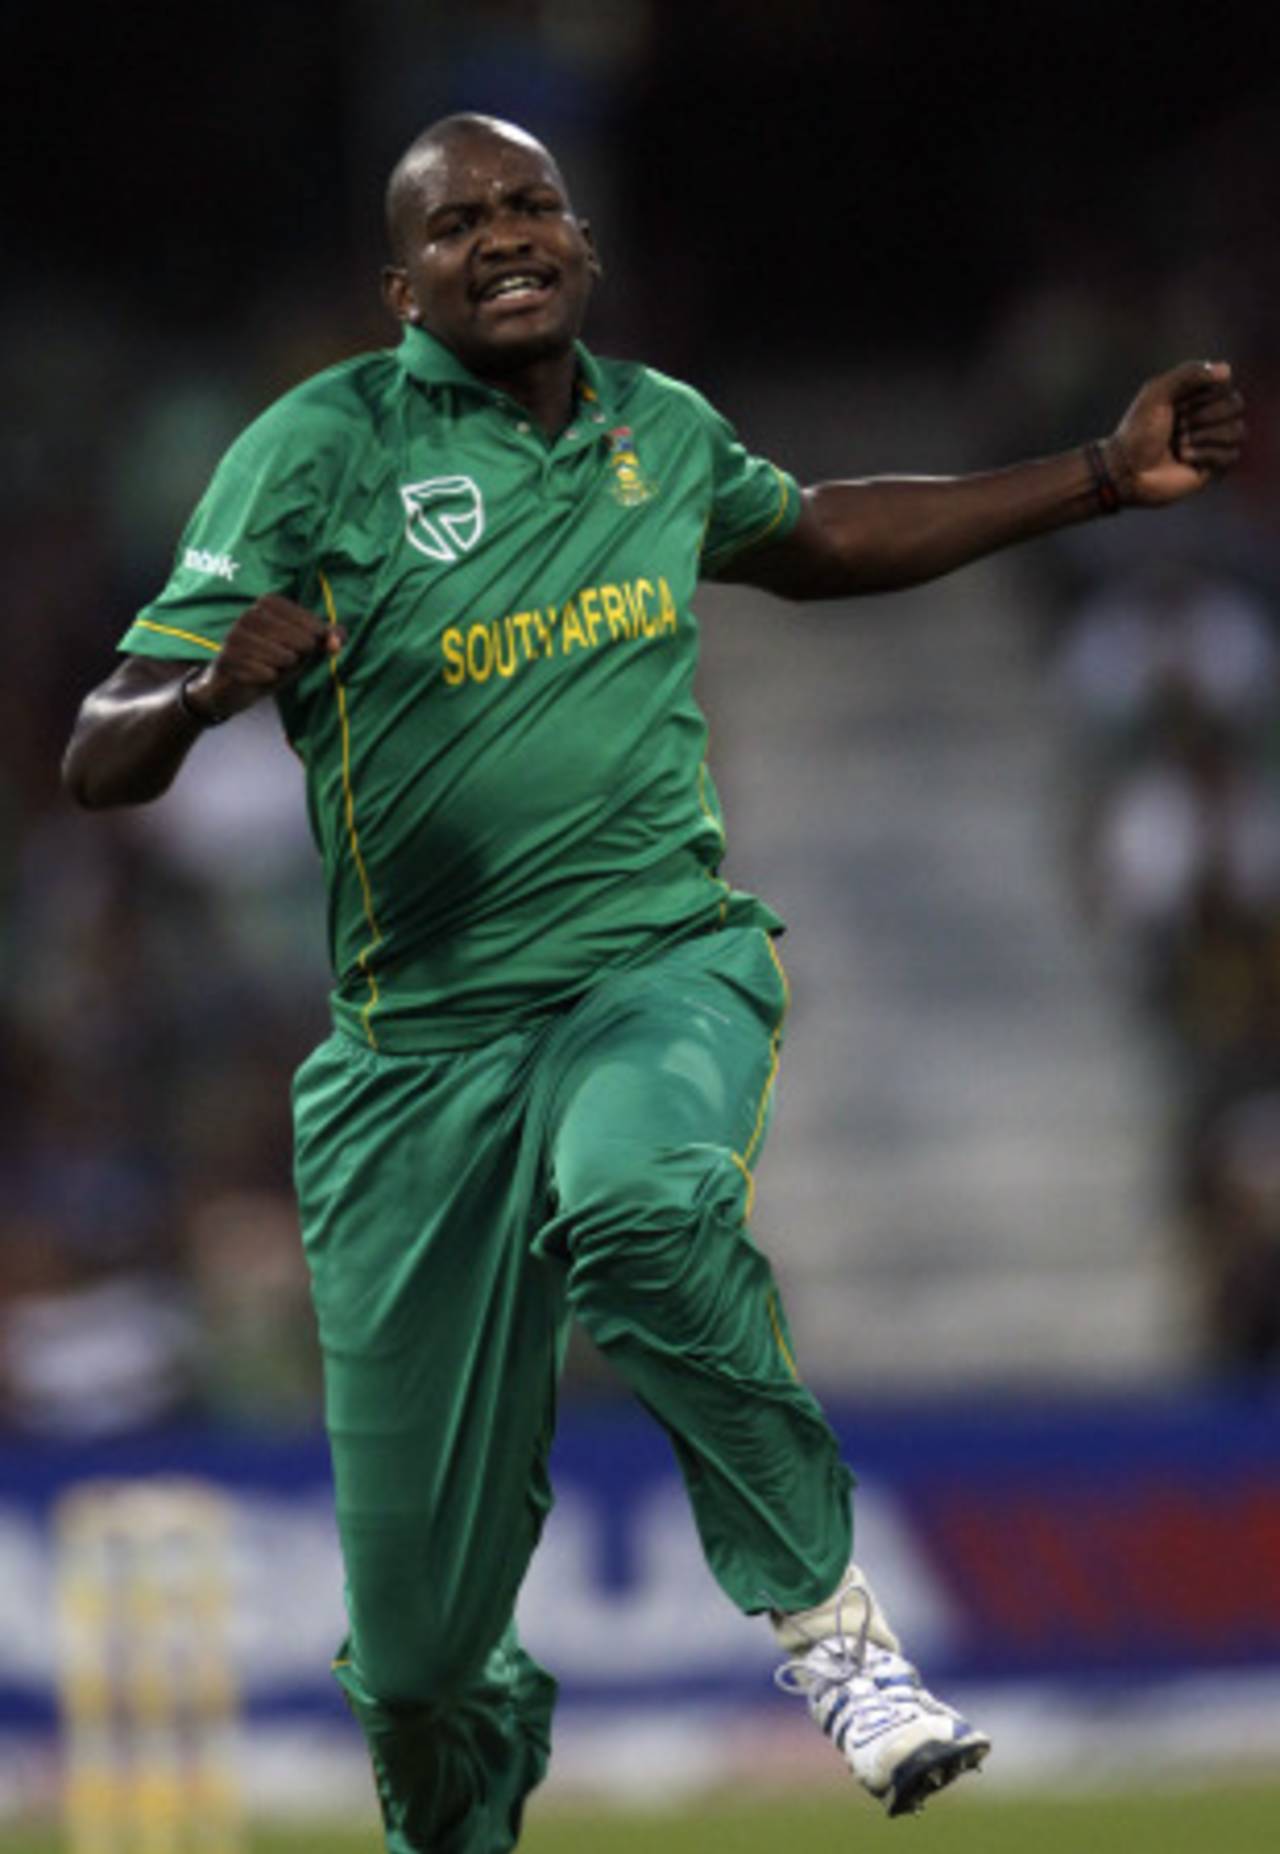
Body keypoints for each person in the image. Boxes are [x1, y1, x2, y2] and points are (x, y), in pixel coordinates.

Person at [63, 112, 1245, 1852]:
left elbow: (820, 536)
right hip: (414, 1066)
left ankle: (837, 1636)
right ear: (404, 287)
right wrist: (190, 696)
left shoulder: (656, 428)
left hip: (652, 972)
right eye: (460, 221)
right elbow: (98, 754)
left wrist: (1091, 474)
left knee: (638, 1202)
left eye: (533, 201)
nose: (507, 231)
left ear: (585, 240)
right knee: (411, 1665)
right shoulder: (317, 451)